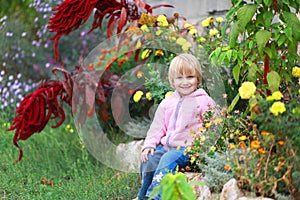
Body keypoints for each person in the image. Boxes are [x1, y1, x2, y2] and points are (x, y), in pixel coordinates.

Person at [135, 53, 216, 200]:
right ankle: (143, 195)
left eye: (190, 77)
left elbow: (214, 124)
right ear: (172, 81)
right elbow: (157, 128)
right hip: (168, 146)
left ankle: (156, 196)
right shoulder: (167, 103)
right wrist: (149, 145)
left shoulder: (204, 101)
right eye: (179, 78)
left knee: (169, 158)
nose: (185, 82)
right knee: (150, 158)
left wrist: (204, 144)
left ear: (198, 79)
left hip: (189, 149)